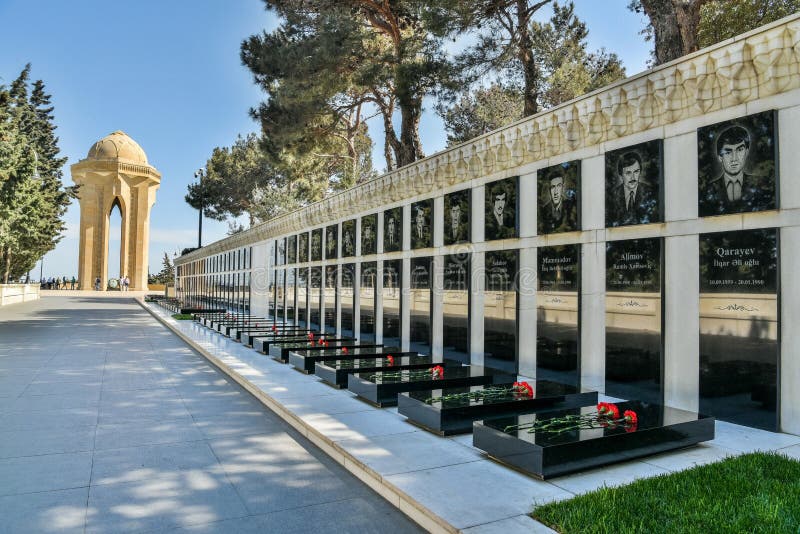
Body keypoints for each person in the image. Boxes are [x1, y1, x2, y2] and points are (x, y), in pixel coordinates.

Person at [700, 125, 774, 216]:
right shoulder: (710, 190)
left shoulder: (761, 185)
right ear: (720, 157)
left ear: (746, 153)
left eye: (739, 150)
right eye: (728, 152)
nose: (734, 159)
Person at [608, 151, 657, 226]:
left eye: (636, 172)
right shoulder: (613, 194)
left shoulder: (649, 191)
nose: (633, 177)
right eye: (628, 173)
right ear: (621, 175)